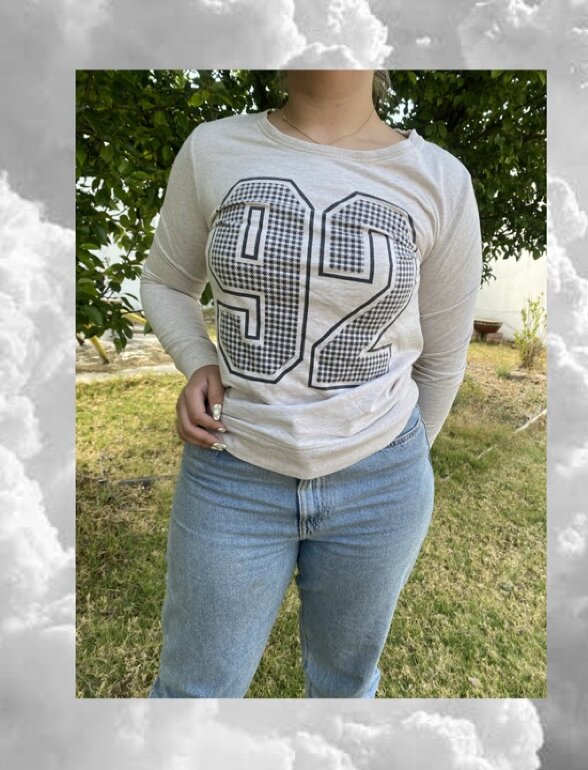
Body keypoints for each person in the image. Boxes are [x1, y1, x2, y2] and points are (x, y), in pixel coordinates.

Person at [140, 69, 482, 698]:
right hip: (232, 471)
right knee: (192, 696)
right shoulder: (213, 148)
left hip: (382, 482)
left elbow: (441, 358)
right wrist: (198, 360)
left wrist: (401, 459)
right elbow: (164, 280)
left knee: (346, 688)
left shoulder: (441, 179)